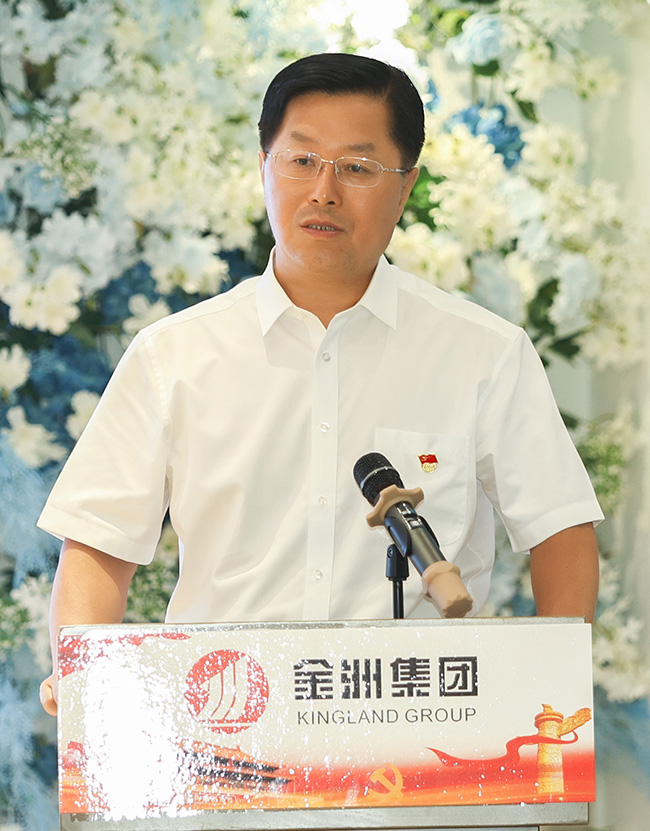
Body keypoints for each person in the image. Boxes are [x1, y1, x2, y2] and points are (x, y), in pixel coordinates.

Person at [37, 53, 602, 716]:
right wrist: (85, 689)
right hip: (227, 728)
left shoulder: (484, 352)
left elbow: (561, 532)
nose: (324, 190)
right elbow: (98, 544)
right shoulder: (174, 355)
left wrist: (552, 693)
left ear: (406, 186)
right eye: (301, 160)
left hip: (418, 732)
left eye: (357, 168)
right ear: (263, 168)